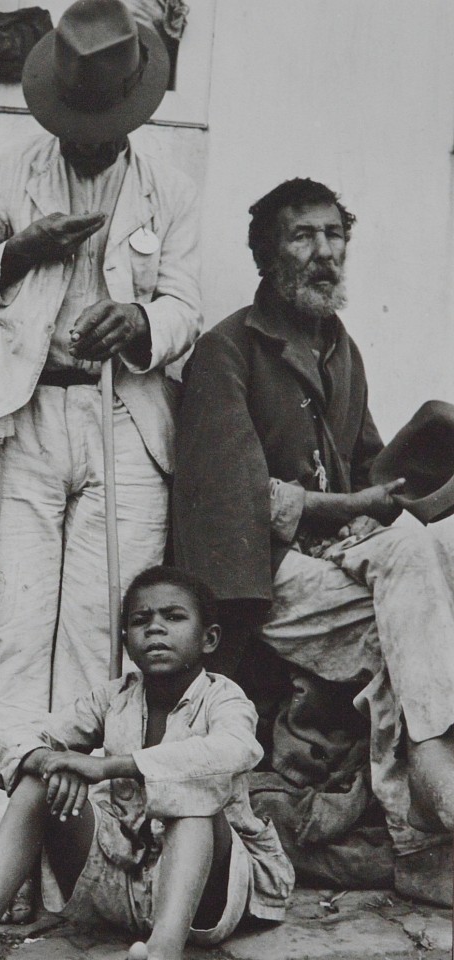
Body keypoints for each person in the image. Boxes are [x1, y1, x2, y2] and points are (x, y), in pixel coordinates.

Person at [0, 0, 203, 887]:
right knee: (15, 631)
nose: (92, 144)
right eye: (78, 129)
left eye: (108, 130)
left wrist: (140, 319)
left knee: (101, 630)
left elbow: (185, 306)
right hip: (28, 415)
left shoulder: (167, 185)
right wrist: (19, 252)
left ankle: (81, 857)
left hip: (125, 423)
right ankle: (0, 858)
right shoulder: (10, 167)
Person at [173, 178, 454, 904]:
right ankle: (428, 800)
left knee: (434, 565)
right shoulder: (225, 350)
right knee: (412, 598)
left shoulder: (339, 345)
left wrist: (406, 495)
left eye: (335, 236)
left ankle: (420, 821)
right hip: (264, 581)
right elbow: (241, 499)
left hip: (335, 569)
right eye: (304, 236)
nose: (324, 253)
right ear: (266, 253)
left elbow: (372, 465)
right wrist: (352, 508)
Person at [0, 566, 293, 960]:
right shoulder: (112, 697)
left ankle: (163, 950)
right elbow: (20, 737)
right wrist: (53, 762)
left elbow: (234, 749)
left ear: (209, 639)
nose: (155, 628)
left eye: (173, 617)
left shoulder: (225, 698)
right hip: (118, 881)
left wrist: (109, 767)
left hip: (207, 892)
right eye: (141, 620)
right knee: (38, 780)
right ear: (126, 642)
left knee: (190, 799)